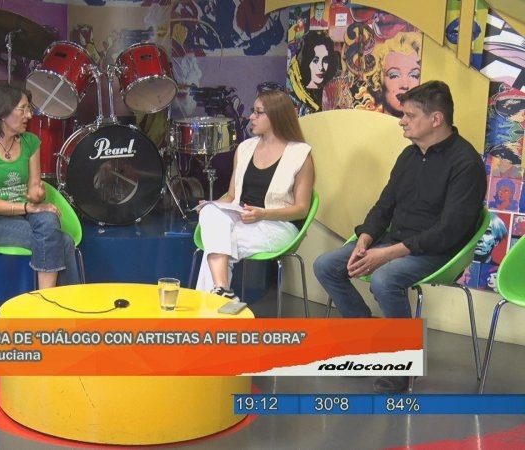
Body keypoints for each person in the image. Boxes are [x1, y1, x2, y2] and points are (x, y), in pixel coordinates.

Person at [313, 81, 487, 394]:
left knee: (385, 279)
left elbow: (450, 231)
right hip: (395, 242)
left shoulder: (466, 164)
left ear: (436, 119)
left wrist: (388, 254)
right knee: (326, 265)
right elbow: (385, 206)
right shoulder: (409, 156)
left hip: (439, 251)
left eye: (409, 115)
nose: (402, 121)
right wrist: (365, 240)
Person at [194, 89, 315, 300]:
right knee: (210, 214)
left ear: (276, 116)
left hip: (278, 225)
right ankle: (222, 291)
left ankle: (213, 304)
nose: (251, 117)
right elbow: (231, 196)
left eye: (258, 112)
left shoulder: (300, 154)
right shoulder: (244, 148)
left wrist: (263, 214)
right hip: (242, 217)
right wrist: (213, 204)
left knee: (216, 246)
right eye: (253, 111)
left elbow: (301, 209)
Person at [0, 83, 81, 289]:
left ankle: (52, 301)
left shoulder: (30, 142)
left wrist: (37, 195)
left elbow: (34, 188)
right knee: (63, 241)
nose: (29, 115)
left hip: (27, 215)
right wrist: (29, 207)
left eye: (29, 109)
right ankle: (51, 300)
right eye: (23, 109)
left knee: (49, 220)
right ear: (3, 112)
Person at [355, 32, 422, 117]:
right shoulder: (366, 120)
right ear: (378, 80)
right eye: (394, 75)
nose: (405, 85)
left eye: (414, 75)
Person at [289, 31, 337, 114]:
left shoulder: (331, 94)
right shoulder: (295, 95)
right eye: (315, 60)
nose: (321, 67)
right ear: (307, 61)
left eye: (325, 60)